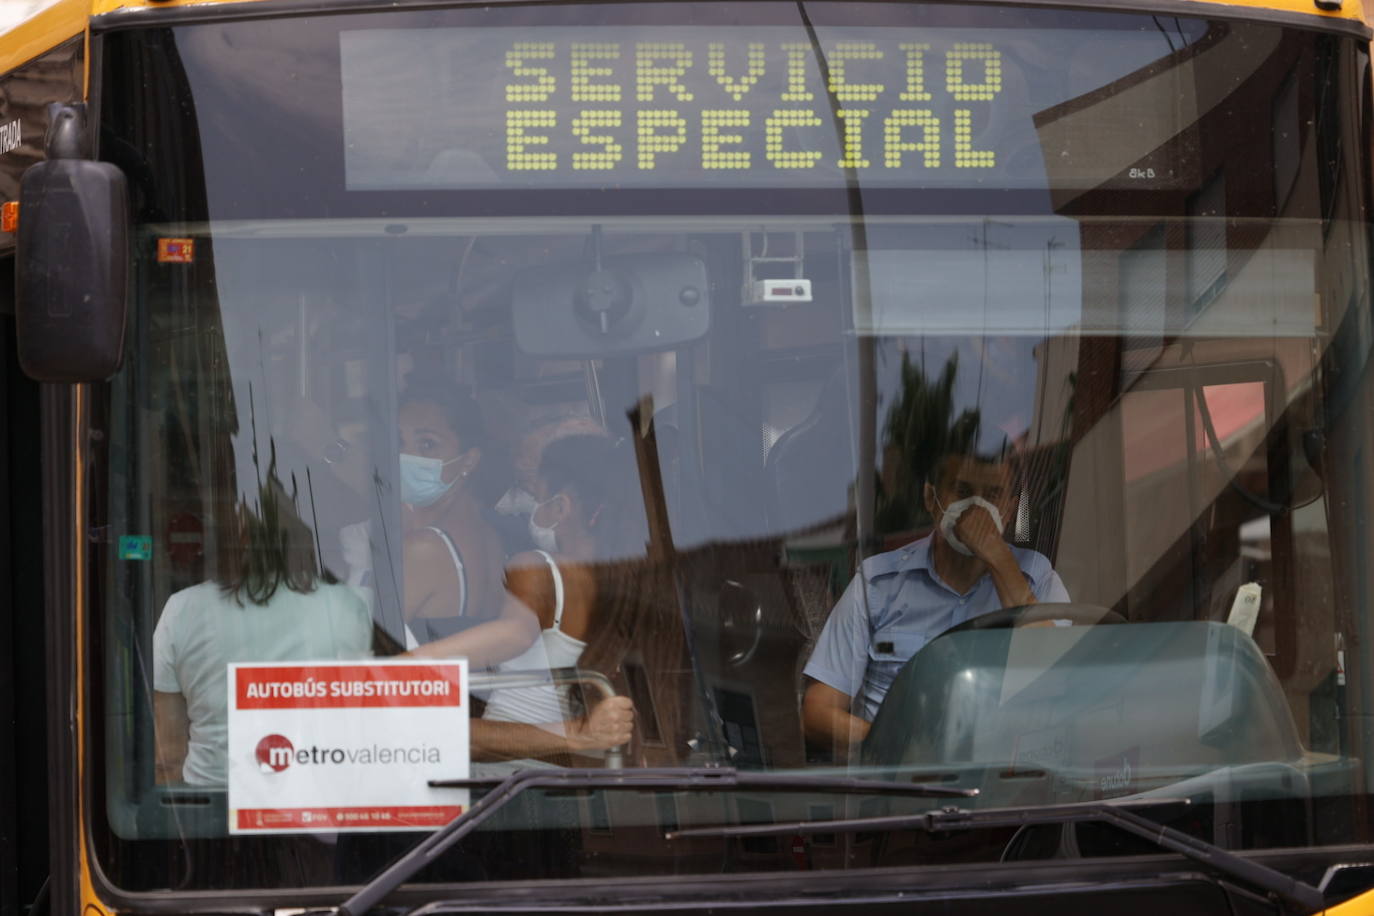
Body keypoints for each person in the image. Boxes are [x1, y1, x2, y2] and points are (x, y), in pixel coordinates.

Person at [801, 448, 1070, 759]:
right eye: (963, 491)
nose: (977, 510)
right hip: (896, 788)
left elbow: (1056, 684)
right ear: (931, 499)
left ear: (1009, 510)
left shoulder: (1038, 578)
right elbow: (817, 713)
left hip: (999, 787)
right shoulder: (877, 583)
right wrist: (897, 746)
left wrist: (998, 558)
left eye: (993, 495)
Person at [411, 434, 644, 766]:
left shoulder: (540, 568)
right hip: (568, 776)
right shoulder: (632, 584)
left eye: (536, 494)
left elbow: (515, 634)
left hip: (507, 767)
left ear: (561, 506)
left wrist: (403, 662)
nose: (528, 504)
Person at [153, 461, 373, 785]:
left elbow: (168, 754)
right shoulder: (346, 606)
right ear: (305, 529)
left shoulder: (182, 609)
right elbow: (357, 718)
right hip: (315, 803)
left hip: (212, 807)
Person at [398, 383, 510, 647]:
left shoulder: (425, 548)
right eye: (399, 442)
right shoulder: (489, 536)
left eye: (427, 444)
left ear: (468, 461)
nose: (405, 456)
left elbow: (358, 647)